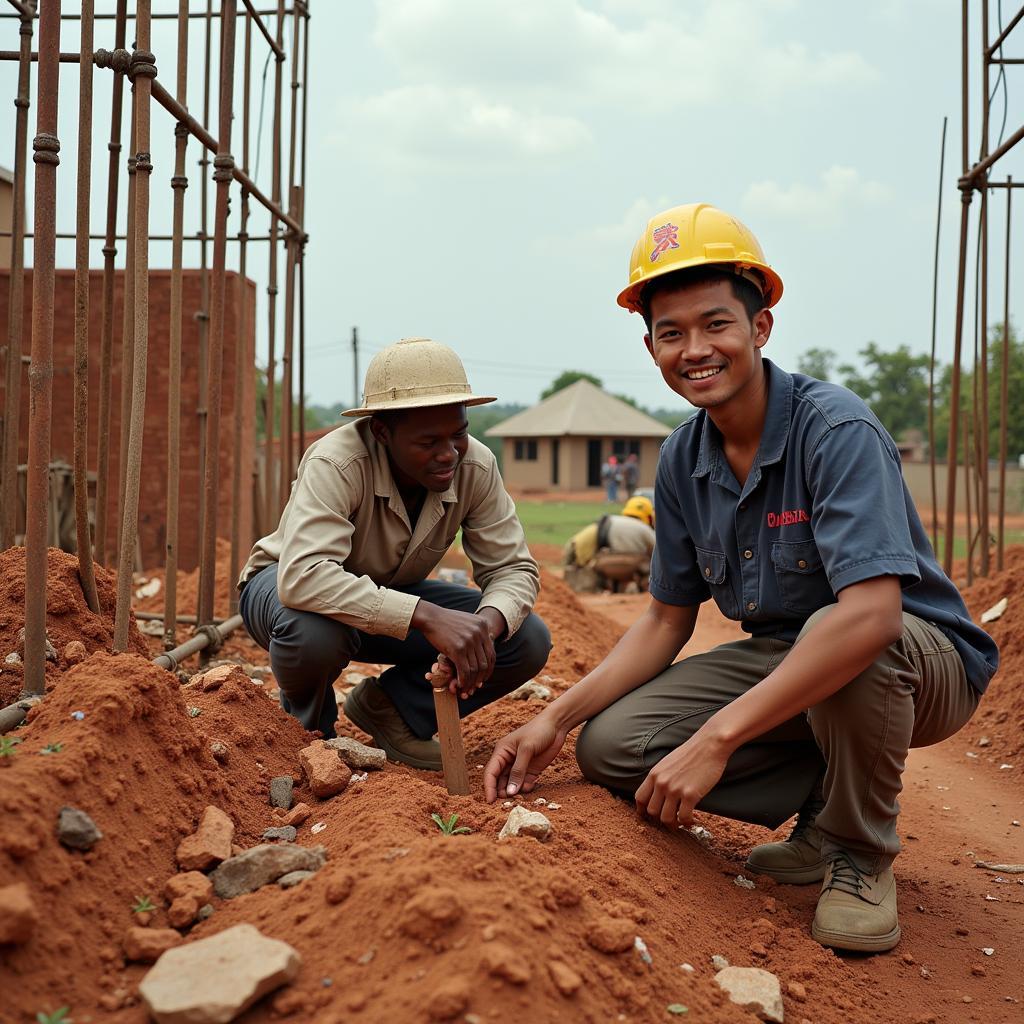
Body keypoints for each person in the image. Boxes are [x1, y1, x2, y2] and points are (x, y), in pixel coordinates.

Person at [484, 203, 998, 954]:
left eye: (716, 324)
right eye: (671, 333)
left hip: (918, 662)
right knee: (614, 747)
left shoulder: (836, 430)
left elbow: (874, 617)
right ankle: (825, 805)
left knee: (839, 632)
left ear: (760, 327)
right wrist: (554, 719)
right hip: (798, 660)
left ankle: (859, 851)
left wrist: (718, 739)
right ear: (651, 344)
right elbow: (664, 621)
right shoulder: (681, 462)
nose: (696, 349)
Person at [239, 337, 552, 770]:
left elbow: (513, 568)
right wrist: (428, 616)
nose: (448, 454)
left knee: (525, 638)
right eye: (428, 442)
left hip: (387, 596)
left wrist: (484, 626)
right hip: (283, 592)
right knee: (314, 630)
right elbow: (305, 576)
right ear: (382, 431)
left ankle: (394, 710)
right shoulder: (336, 462)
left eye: (458, 434)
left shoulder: (475, 466)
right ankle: (310, 735)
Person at [562, 496, 656, 594]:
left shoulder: (611, 521)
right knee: (652, 564)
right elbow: (658, 550)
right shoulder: (645, 528)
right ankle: (646, 592)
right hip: (633, 567)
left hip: (606, 565)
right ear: (649, 517)